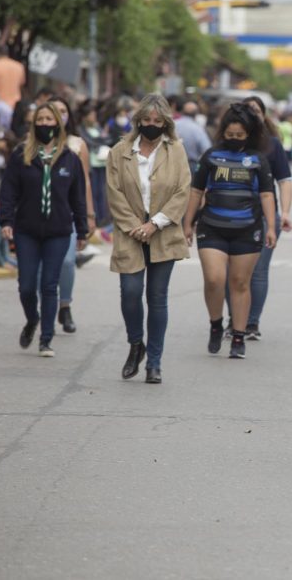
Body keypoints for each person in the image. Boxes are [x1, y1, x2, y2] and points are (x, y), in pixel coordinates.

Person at [106, 94, 192, 384]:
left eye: (157, 121)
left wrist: (154, 224)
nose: (152, 125)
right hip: (129, 230)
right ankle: (135, 344)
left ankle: (154, 362)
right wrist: (135, 226)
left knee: (157, 298)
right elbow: (114, 192)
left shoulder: (176, 150)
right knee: (130, 292)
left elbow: (183, 190)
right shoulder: (119, 151)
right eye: (147, 120)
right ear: (138, 120)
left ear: (166, 122)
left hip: (163, 230)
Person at [183, 104, 277, 361]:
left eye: (240, 136)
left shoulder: (259, 159)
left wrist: (271, 226)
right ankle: (215, 324)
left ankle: (238, 335)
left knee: (239, 283)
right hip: (212, 227)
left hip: (248, 230)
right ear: (222, 132)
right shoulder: (211, 156)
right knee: (214, 279)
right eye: (230, 135)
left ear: (250, 134)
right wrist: (187, 223)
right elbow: (196, 192)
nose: (234, 140)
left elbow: (267, 194)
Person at [0, 103, 88, 357]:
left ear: (59, 123)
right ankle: (32, 319)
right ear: (34, 123)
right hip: (26, 229)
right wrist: (6, 221)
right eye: (41, 119)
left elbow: (77, 197)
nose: (45, 123)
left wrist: (82, 231)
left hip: (58, 231)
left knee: (49, 285)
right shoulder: (21, 156)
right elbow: (8, 191)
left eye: (50, 119)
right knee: (26, 285)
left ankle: (46, 339)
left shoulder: (69, 158)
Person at [227, 95, 292, 341]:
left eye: (256, 110)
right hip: (230, 215)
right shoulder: (228, 143)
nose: (251, 114)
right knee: (232, 272)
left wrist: (284, 213)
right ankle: (234, 320)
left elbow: (284, 181)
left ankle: (251, 322)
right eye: (246, 109)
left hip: (265, 217)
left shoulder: (272, 145)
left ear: (263, 115)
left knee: (258, 271)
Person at [48, 97, 97, 334]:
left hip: (67, 213)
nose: (59, 115)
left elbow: (85, 182)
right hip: (39, 214)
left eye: (63, 111)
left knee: (67, 261)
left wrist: (88, 215)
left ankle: (64, 306)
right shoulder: (31, 144)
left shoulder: (77, 144)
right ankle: (44, 311)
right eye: (53, 111)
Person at [175, 99, 213, 173]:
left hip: (172, 164)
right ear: (196, 114)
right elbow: (207, 149)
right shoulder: (198, 129)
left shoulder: (174, 124)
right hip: (190, 166)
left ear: (182, 112)